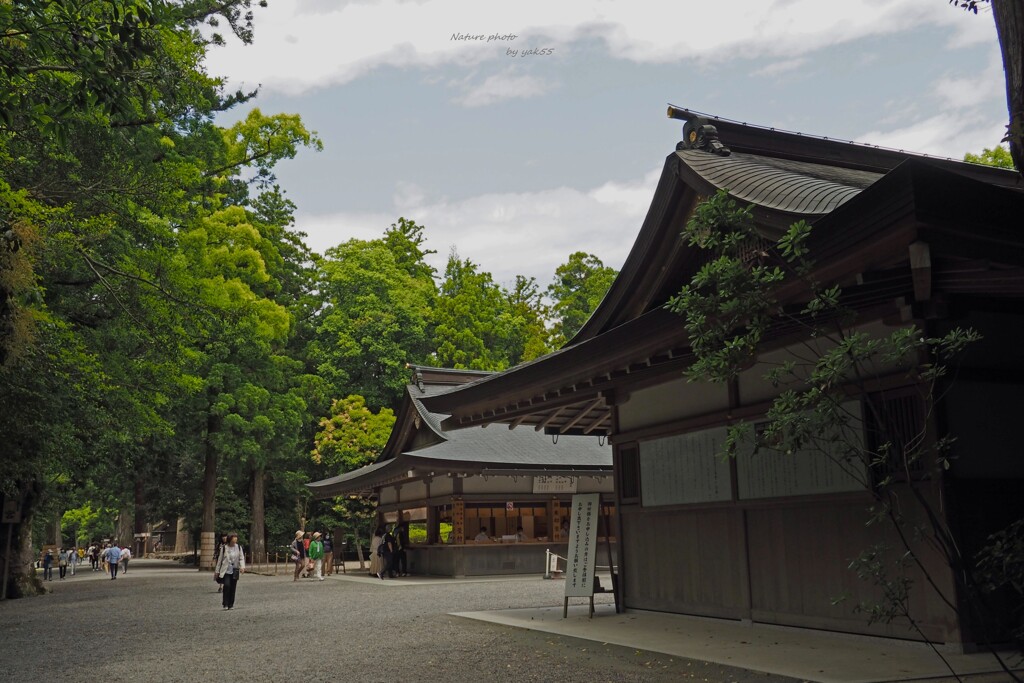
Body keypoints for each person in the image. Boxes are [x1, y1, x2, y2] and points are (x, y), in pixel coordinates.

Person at [215, 533, 245, 610]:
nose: (235, 539)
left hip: (235, 569)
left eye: (236, 538)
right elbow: (220, 560)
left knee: (233, 587)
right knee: (227, 585)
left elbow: (241, 558)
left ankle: (231, 604)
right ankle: (225, 603)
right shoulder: (224, 548)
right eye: (234, 538)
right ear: (230, 539)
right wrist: (217, 571)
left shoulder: (238, 547)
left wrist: (242, 567)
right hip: (226, 570)